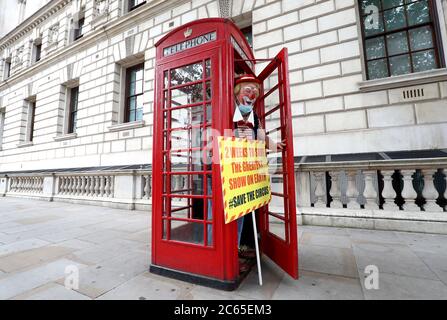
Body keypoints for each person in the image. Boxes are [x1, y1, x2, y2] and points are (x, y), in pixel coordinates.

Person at [232, 74, 285, 265]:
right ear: (237, 93)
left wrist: (274, 145)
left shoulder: (254, 116)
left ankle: (245, 244)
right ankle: (233, 246)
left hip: (251, 170)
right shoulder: (228, 112)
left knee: (249, 209)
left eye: (255, 91)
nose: (252, 94)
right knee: (235, 210)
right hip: (234, 171)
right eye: (248, 89)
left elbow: (262, 137)